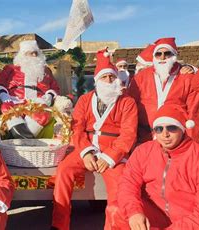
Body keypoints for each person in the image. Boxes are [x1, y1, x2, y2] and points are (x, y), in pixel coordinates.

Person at [51, 48, 138, 230]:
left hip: (113, 151)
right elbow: (77, 127)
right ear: (97, 80)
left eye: (112, 77)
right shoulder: (84, 100)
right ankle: (59, 225)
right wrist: (86, 153)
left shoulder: (127, 102)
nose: (108, 81)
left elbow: (128, 134)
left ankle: (114, 227)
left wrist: (109, 158)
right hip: (87, 147)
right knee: (63, 171)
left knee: (119, 189)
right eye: (104, 77)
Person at [115, 104, 199, 229]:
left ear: (182, 129)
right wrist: (134, 212)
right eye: (159, 129)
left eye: (171, 127)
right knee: (116, 211)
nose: (165, 134)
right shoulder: (144, 151)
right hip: (154, 215)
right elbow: (127, 184)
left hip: (187, 222)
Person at [128, 37, 199, 144]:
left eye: (167, 53)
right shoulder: (141, 77)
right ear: (154, 56)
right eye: (158, 54)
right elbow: (130, 107)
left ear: (174, 55)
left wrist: (192, 143)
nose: (162, 57)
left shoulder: (186, 78)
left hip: (175, 137)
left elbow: (194, 113)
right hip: (145, 137)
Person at [0, 40, 60, 138]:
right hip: (15, 100)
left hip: (38, 102)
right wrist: (4, 95)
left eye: (35, 53)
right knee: (6, 108)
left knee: (44, 114)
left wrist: (49, 95)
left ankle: (23, 141)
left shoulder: (46, 70)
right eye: (30, 53)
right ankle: (27, 141)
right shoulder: (10, 69)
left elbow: (55, 87)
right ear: (23, 55)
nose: (34, 55)